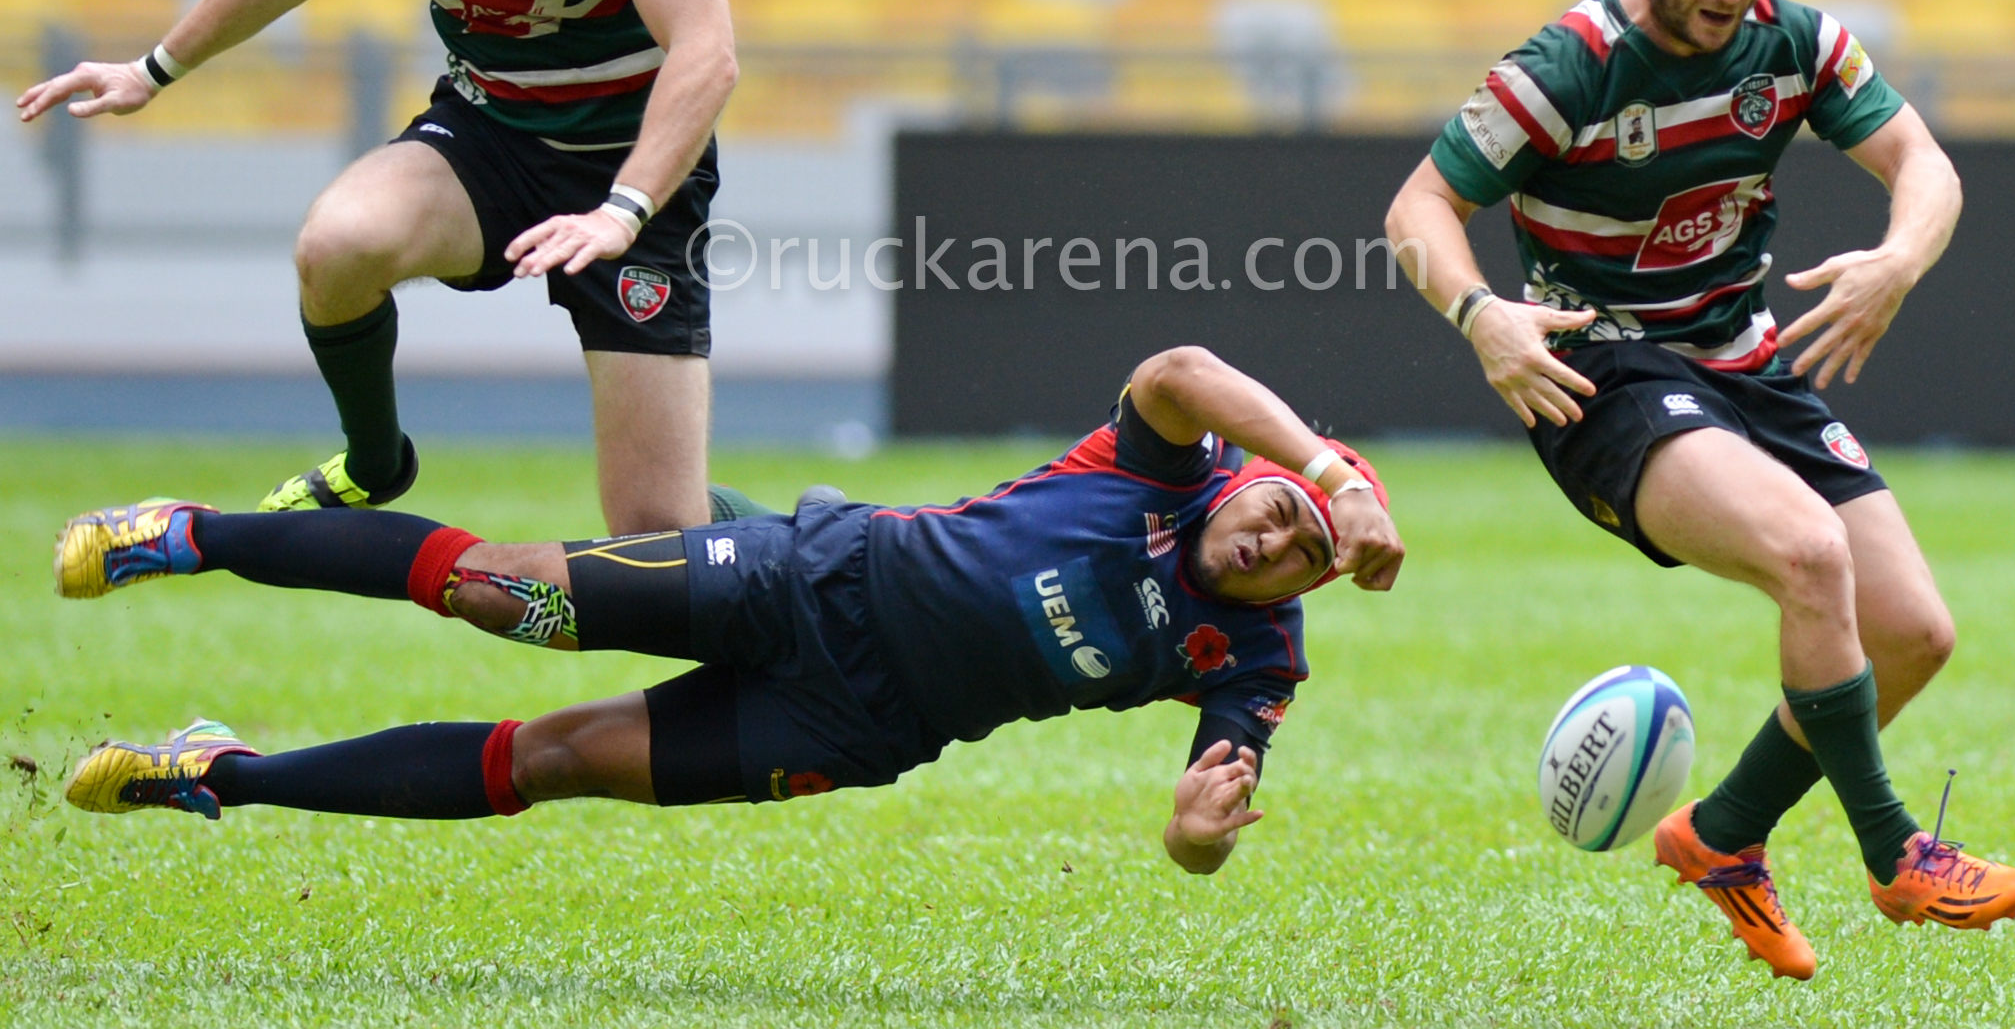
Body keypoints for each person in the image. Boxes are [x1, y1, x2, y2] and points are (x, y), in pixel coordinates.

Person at [1384, 0, 2015, 979]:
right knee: (1808, 556)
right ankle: (1895, 855)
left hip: (1742, 357)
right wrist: (1481, 315)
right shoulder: (1566, 67)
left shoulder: (1795, 42)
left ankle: (1721, 833)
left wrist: (1896, 261)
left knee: (1911, 635)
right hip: (1604, 370)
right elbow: (1417, 207)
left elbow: (1923, 165)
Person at [54, 347, 1405, 873]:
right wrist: (1336, 472)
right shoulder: (1165, 462)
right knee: (494, 594)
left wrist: (1189, 836)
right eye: (1282, 503)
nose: (1275, 537)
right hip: (811, 576)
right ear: (1263, 472)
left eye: (1303, 552)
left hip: (860, 724)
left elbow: (1206, 821)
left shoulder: (1257, 659)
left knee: (554, 761)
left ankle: (217, 772)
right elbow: (1177, 368)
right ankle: (188, 534)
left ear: (1311, 587)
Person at [15, 0, 741, 533]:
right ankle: (374, 459)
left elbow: (706, 52)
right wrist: (150, 70)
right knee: (338, 245)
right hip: (492, 132)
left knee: (657, 540)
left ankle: (807, 548)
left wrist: (622, 210)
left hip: (631, 168)